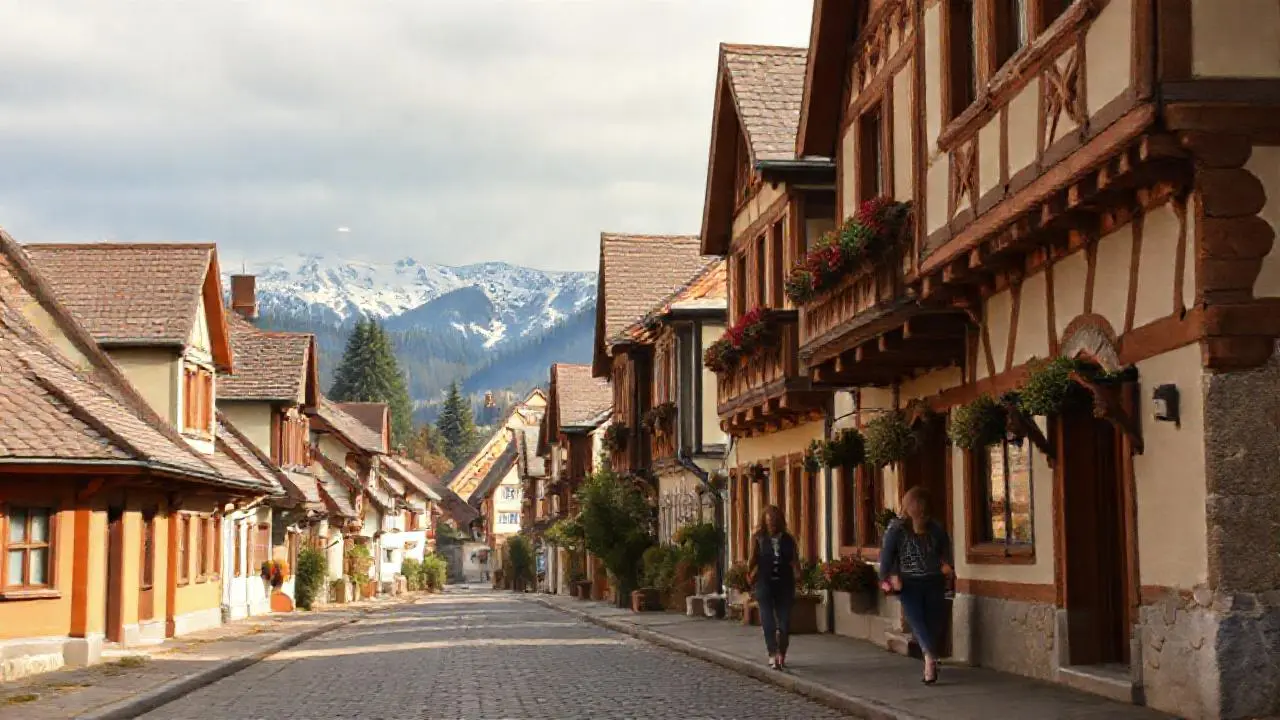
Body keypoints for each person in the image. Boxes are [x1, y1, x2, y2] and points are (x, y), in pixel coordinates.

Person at [879, 486, 953, 685]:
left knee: (931, 622)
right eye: (917, 508)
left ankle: (930, 656)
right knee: (919, 621)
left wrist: (947, 566)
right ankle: (930, 659)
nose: (920, 513)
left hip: (932, 581)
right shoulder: (897, 529)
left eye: (922, 509)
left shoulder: (935, 528)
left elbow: (945, 551)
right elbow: (887, 557)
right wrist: (888, 578)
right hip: (910, 583)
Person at [746, 504, 800, 670]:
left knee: (784, 622)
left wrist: (798, 573)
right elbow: (752, 560)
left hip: (784, 583)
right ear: (764, 522)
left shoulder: (788, 539)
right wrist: (749, 575)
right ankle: (772, 653)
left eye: (775, 523)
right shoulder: (758, 538)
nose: (772, 526)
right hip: (764, 582)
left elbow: (794, 560)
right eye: (769, 523)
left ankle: (781, 653)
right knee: (767, 619)